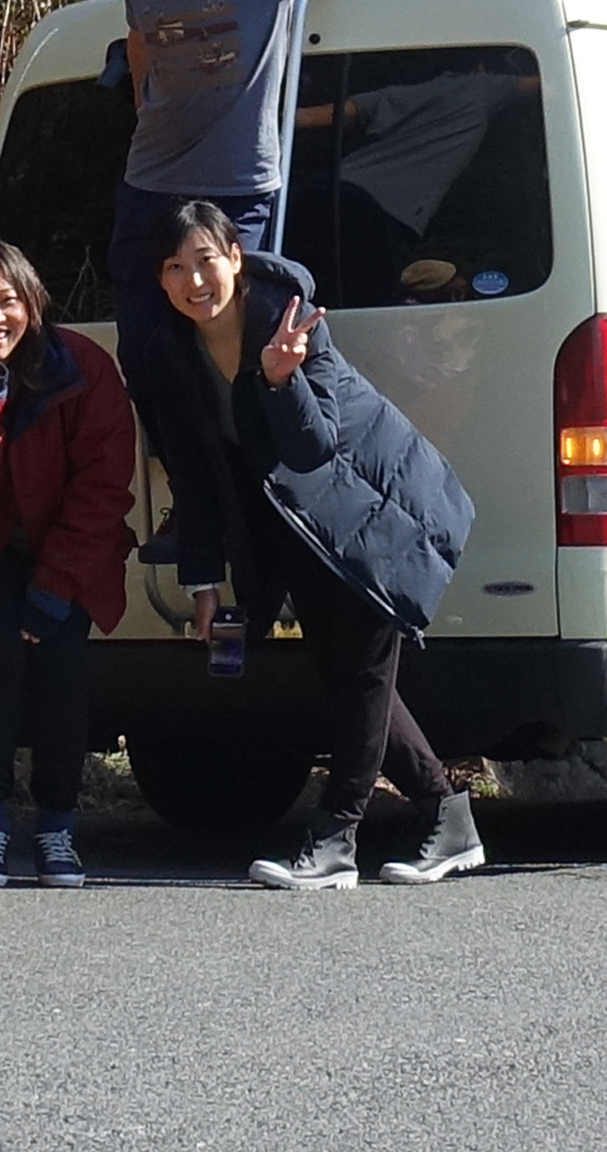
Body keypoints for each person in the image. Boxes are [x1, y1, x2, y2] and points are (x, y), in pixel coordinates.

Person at [112, 0, 471, 594]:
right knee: (148, 352)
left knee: (248, 367)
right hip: (151, 184)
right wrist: (143, 112)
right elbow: (140, 47)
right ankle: (193, 508)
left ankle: (268, 520)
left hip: (234, 191)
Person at [149, 195, 489, 892]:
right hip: (299, 530)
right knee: (346, 678)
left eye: (206, 260)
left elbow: (313, 447)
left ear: (235, 259)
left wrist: (278, 378)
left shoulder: (290, 316)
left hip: (373, 509)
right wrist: (203, 580)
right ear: (161, 281)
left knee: (365, 673)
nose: (194, 281)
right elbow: (195, 473)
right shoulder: (171, 352)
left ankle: (337, 837)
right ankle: (448, 819)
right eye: (177, 268)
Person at [0, 233, 140, 888]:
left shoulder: (85, 367)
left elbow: (103, 489)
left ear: (32, 301)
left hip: (69, 546)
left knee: (62, 660)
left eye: (6, 301)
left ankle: (58, 824)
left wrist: (56, 583)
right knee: (0, 655)